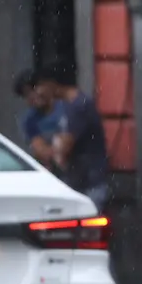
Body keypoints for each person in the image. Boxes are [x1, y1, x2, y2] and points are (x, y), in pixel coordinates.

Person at [31, 66, 111, 213]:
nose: (39, 91)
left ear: (52, 84)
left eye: (41, 85)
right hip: (81, 181)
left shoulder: (79, 106)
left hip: (89, 183)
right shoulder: (69, 106)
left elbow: (64, 147)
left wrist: (51, 151)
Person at [14, 68, 63, 170]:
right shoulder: (30, 120)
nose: (32, 96)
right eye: (26, 94)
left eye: (34, 88)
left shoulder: (67, 109)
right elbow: (42, 152)